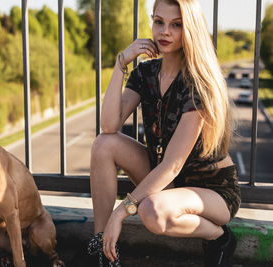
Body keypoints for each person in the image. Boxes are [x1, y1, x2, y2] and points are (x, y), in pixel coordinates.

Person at [88, 0, 241, 266]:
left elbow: (172, 165)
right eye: (159, 22)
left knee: (152, 212)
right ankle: (100, 248)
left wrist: (120, 213)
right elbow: (109, 126)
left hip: (211, 191)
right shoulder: (146, 73)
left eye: (176, 25)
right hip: (168, 183)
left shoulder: (197, 85)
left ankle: (219, 237)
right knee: (103, 144)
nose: (165, 32)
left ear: (190, 29)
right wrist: (120, 64)